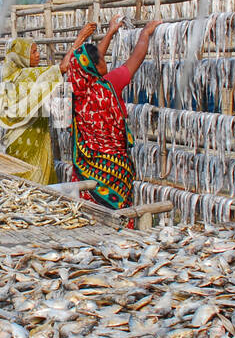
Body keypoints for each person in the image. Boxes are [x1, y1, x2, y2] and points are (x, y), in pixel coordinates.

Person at [60, 16, 161, 218]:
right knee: (117, 217)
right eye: (103, 60)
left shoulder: (75, 95)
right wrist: (145, 34)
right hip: (115, 170)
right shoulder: (110, 85)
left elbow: (81, 62)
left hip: (86, 171)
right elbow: (136, 59)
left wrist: (110, 33)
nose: (105, 61)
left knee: (87, 217)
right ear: (97, 67)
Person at [0, 38, 62, 184]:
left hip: (17, 142)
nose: (38, 55)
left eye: (38, 51)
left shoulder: (9, 77)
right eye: (33, 51)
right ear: (20, 56)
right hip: (28, 142)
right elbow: (62, 68)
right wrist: (80, 38)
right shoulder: (27, 75)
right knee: (34, 185)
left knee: (19, 185)